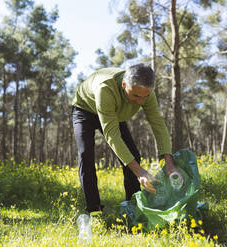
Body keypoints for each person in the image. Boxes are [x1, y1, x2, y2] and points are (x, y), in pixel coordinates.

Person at [71, 63, 183, 214]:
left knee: (133, 155)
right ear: (124, 85)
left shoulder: (146, 94)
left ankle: (133, 207)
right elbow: (112, 135)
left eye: (144, 97)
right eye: (136, 95)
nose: (140, 102)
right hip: (85, 109)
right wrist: (140, 172)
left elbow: (158, 125)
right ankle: (94, 210)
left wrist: (169, 163)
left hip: (113, 112)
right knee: (86, 155)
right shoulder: (105, 88)